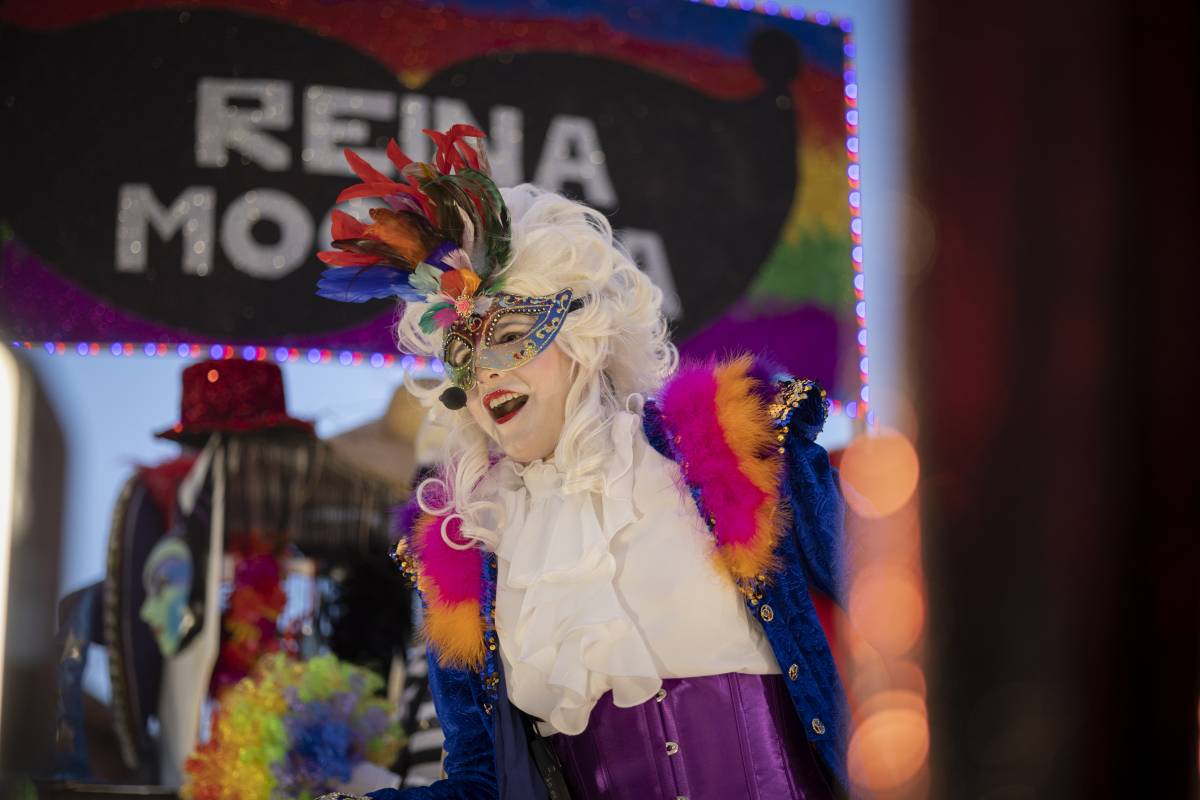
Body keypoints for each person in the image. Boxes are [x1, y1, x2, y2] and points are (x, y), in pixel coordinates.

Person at [316, 126, 847, 799]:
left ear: (580, 336)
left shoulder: (735, 445)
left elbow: (907, 626)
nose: (486, 375)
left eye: (509, 336)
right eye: (464, 357)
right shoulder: (466, 556)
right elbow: (485, 783)